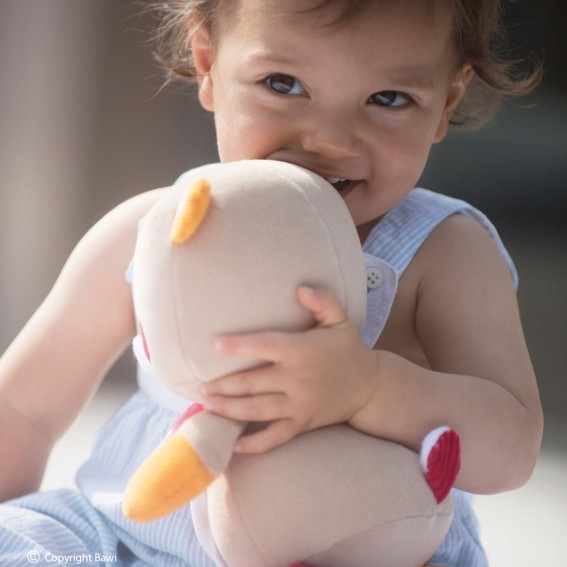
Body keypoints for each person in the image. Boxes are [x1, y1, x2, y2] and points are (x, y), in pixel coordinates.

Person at [0, 1, 543, 566]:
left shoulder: (443, 250)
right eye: (283, 84)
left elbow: (511, 450)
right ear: (208, 64)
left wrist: (371, 388)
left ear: (445, 104)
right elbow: (23, 408)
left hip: (346, 551)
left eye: (388, 98)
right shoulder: (154, 230)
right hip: (121, 536)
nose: (330, 139)